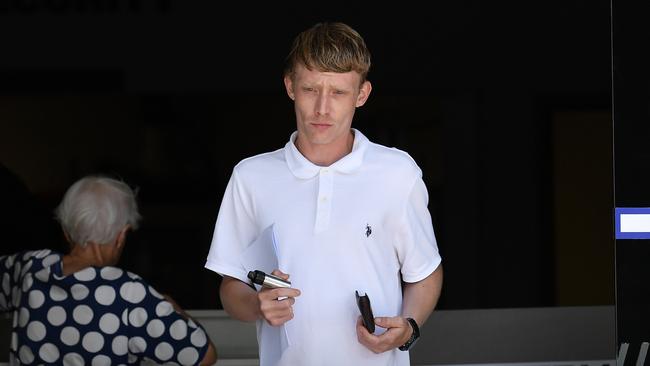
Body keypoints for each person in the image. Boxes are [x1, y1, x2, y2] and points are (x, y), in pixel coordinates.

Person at [205, 22, 442, 366]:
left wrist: (409, 327)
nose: (322, 108)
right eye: (310, 89)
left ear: (362, 95)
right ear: (290, 86)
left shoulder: (397, 173)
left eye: (339, 93)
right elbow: (231, 286)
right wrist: (257, 304)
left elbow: (425, 272)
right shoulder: (250, 176)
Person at [0, 176, 217, 365]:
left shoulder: (28, 267)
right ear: (121, 236)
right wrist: (174, 308)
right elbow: (203, 355)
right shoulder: (130, 293)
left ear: (66, 231)